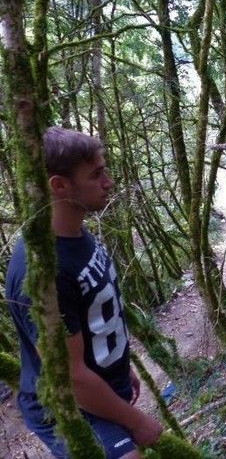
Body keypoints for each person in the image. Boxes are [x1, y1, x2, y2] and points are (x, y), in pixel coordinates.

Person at [5, 127, 162, 458]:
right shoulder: (44, 274)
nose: (109, 182)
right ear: (59, 185)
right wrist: (137, 421)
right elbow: (71, 378)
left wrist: (121, 368)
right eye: (97, 174)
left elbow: (95, 314)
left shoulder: (75, 232)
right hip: (71, 404)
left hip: (99, 385)